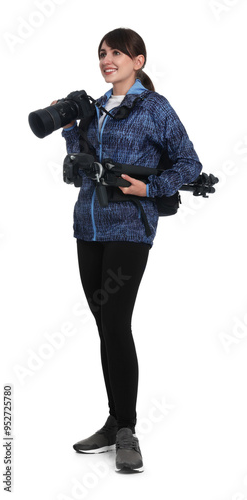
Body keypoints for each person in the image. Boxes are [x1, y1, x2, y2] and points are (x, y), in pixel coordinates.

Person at [60, 27, 202, 473]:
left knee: (117, 323)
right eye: (102, 53)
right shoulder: (96, 109)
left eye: (117, 53)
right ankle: (113, 419)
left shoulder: (155, 108)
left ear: (138, 60)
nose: (107, 59)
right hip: (89, 227)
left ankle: (127, 431)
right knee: (105, 325)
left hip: (129, 229)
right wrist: (69, 130)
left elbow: (188, 162)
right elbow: (79, 170)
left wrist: (150, 187)